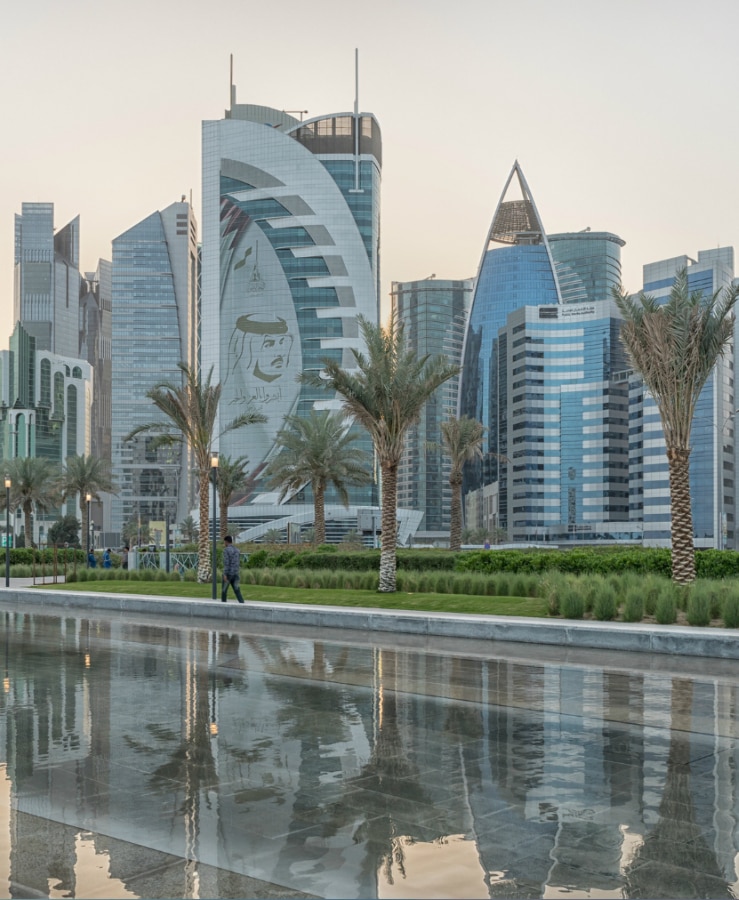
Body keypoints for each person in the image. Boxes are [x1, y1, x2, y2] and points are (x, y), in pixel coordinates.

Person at [221, 535, 245, 604]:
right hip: (236, 573)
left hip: (228, 574)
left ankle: (223, 604)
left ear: (226, 541)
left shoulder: (226, 550)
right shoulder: (237, 550)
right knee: (237, 590)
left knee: (224, 591)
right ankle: (242, 603)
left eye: (224, 542)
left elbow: (227, 563)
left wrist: (225, 574)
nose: (224, 544)